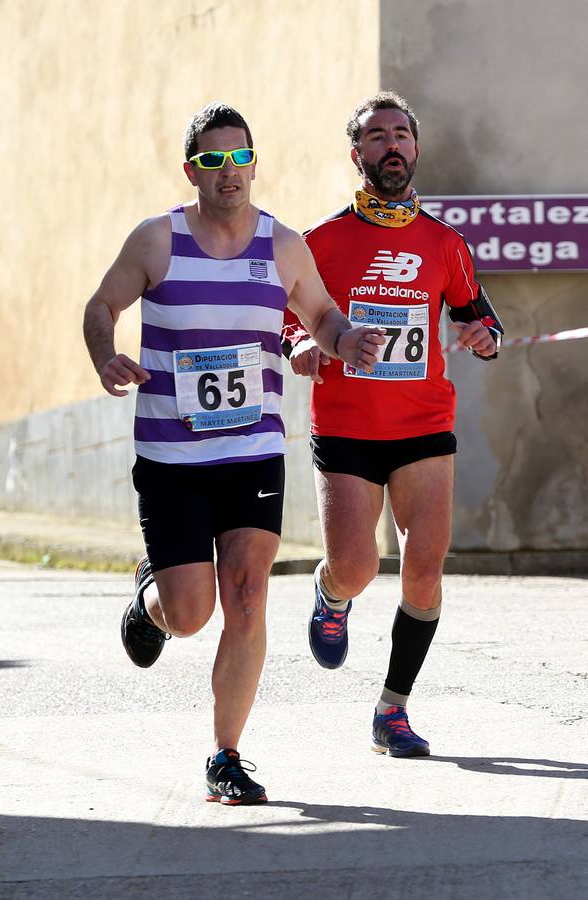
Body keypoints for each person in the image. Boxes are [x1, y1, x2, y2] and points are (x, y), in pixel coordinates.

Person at [82, 101, 382, 804]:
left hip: (251, 452)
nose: (229, 172)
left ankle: (226, 756)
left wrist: (347, 342)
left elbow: (323, 315)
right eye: (213, 160)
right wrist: (106, 358)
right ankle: (150, 594)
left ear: (253, 162)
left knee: (247, 598)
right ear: (192, 170)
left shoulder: (282, 245)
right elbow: (101, 307)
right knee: (190, 614)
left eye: (239, 157)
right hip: (171, 459)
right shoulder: (157, 241)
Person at [282, 91, 503, 758]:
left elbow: (477, 314)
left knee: (425, 569)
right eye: (377, 136)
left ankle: (393, 710)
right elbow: (289, 320)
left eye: (401, 133)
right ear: (358, 156)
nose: (392, 145)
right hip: (348, 426)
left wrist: (485, 336)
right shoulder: (318, 243)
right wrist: (301, 347)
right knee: (355, 567)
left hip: (423, 426)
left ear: (415, 150)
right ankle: (331, 593)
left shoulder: (446, 244)